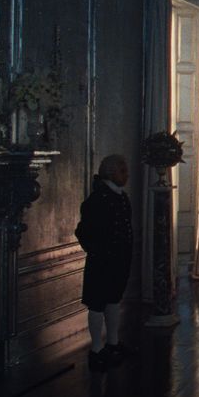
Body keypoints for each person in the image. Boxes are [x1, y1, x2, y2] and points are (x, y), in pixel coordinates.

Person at [75, 154, 135, 371]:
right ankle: (97, 350)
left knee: (113, 300)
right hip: (102, 261)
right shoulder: (98, 200)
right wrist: (99, 252)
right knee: (97, 304)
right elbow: (84, 232)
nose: (126, 175)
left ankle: (112, 343)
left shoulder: (120, 197)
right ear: (110, 173)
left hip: (117, 260)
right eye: (122, 171)